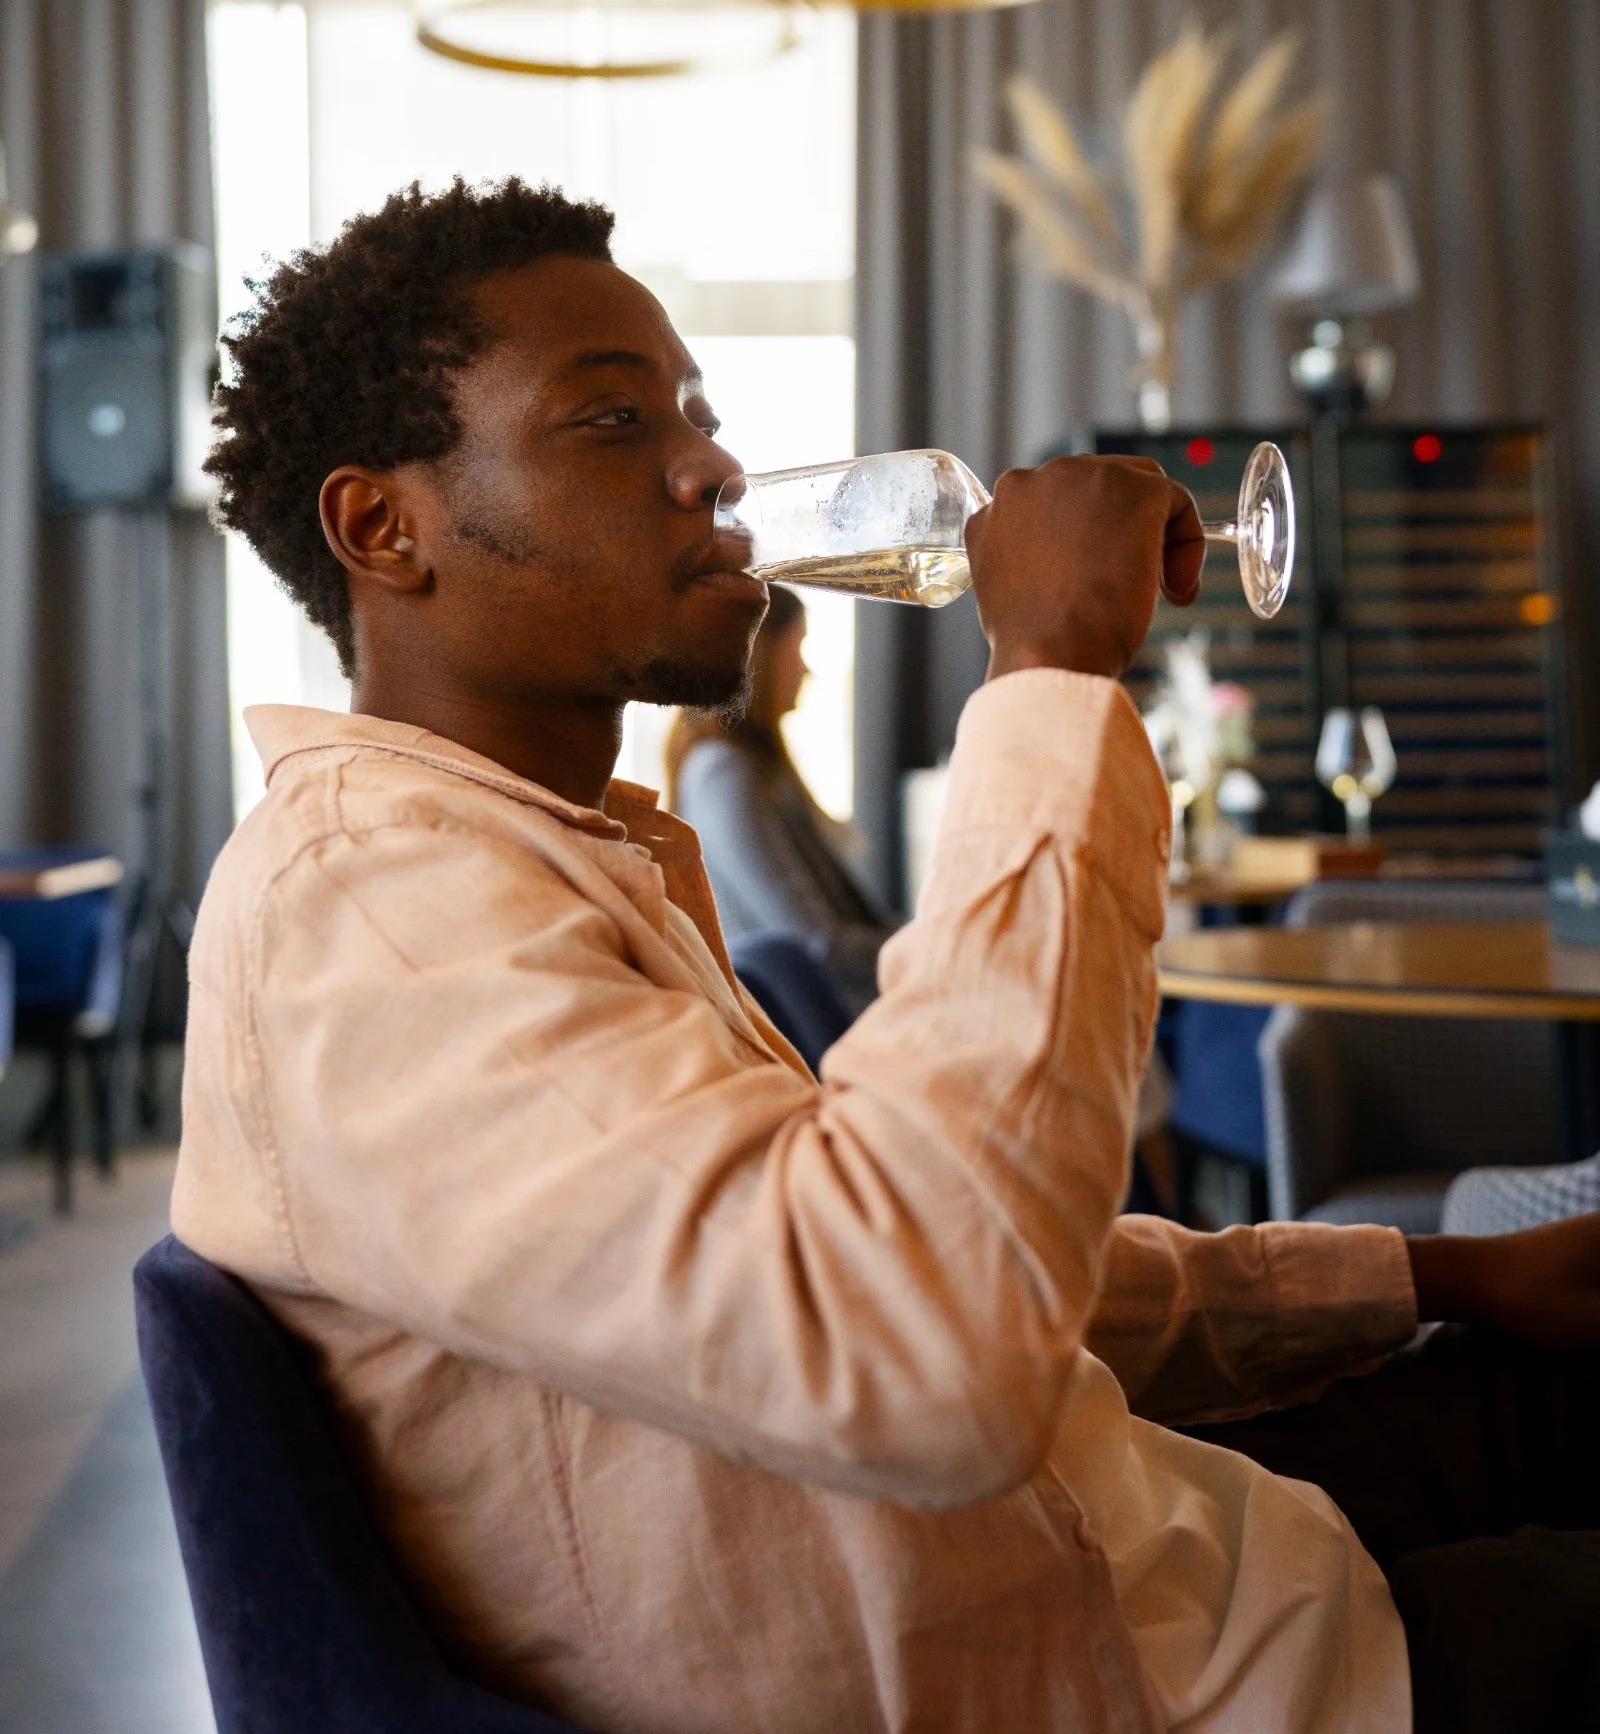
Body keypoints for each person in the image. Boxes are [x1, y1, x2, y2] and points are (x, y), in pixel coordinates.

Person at [175, 178, 1600, 1734]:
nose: (710, 464)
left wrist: (1436, 1276)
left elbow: (908, 1242)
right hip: (1168, 1678)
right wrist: (1048, 669)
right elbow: (917, 1335)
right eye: (610, 421)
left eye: (697, 414)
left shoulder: (548, 856)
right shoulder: (379, 915)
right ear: (384, 526)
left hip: (1146, 1543)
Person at [664, 582, 895, 1012]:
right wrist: (924, 948)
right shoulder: (724, 774)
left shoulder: (754, 771)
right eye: (799, 647)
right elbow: (811, 940)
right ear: (764, 653)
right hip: (816, 1028)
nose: (806, 671)